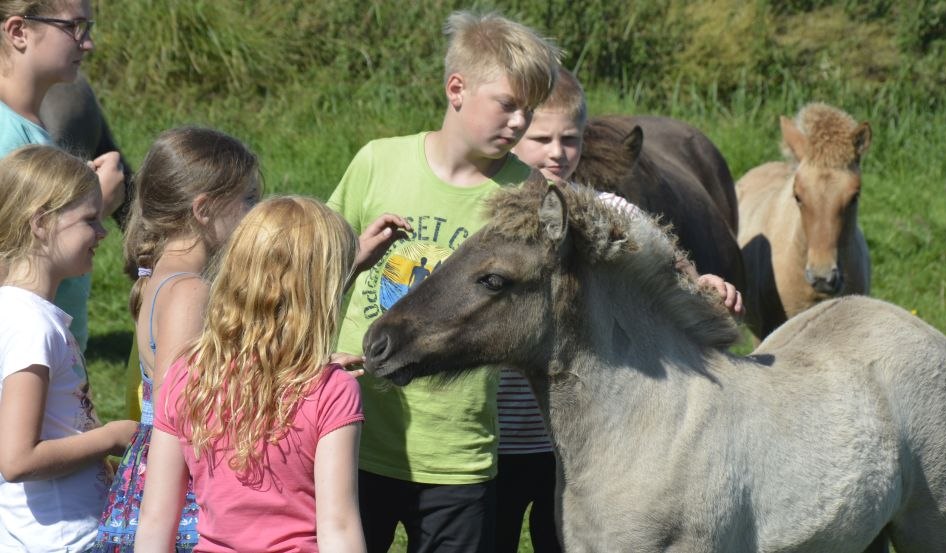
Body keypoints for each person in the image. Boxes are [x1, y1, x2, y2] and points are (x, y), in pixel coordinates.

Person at [327, 10, 561, 553]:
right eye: (507, 104)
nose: (519, 122)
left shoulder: (525, 196)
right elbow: (314, 273)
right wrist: (355, 258)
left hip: (459, 452)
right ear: (456, 88)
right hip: (352, 434)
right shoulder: (378, 162)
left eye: (529, 110)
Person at [502, 67, 743, 552]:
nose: (557, 152)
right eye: (542, 138)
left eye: (570, 139)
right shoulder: (491, 211)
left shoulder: (616, 213)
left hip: (585, 438)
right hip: (497, 436)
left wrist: (708, 287)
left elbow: (675, 274)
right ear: (514, 133)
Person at [134, 196, 369, 552]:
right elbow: (338, 525)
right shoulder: (332, 391)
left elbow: (155, 519)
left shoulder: (186, 377)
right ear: (321, 294)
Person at [91, 126, 263, 552]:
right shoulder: (190, 291)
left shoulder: (157, 276)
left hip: (150, 483)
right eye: (249, 201)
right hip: (180, 496)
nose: (256, 215)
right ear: (203, 209)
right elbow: (180, 407)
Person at [0, 144, 138, 552]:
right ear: (41, 222)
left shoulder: (21, 314)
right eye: (89, 220)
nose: (103, 232)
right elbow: (17, 459)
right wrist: (111, 437)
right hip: (65, 540)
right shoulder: (32, 326)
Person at [0, 0, 125, 353]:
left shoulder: (26, 125)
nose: (87, 43)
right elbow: (8, 268)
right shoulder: (6, 136)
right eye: (73, 26)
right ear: (18, 31)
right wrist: (95, 205)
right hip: (23, 368)